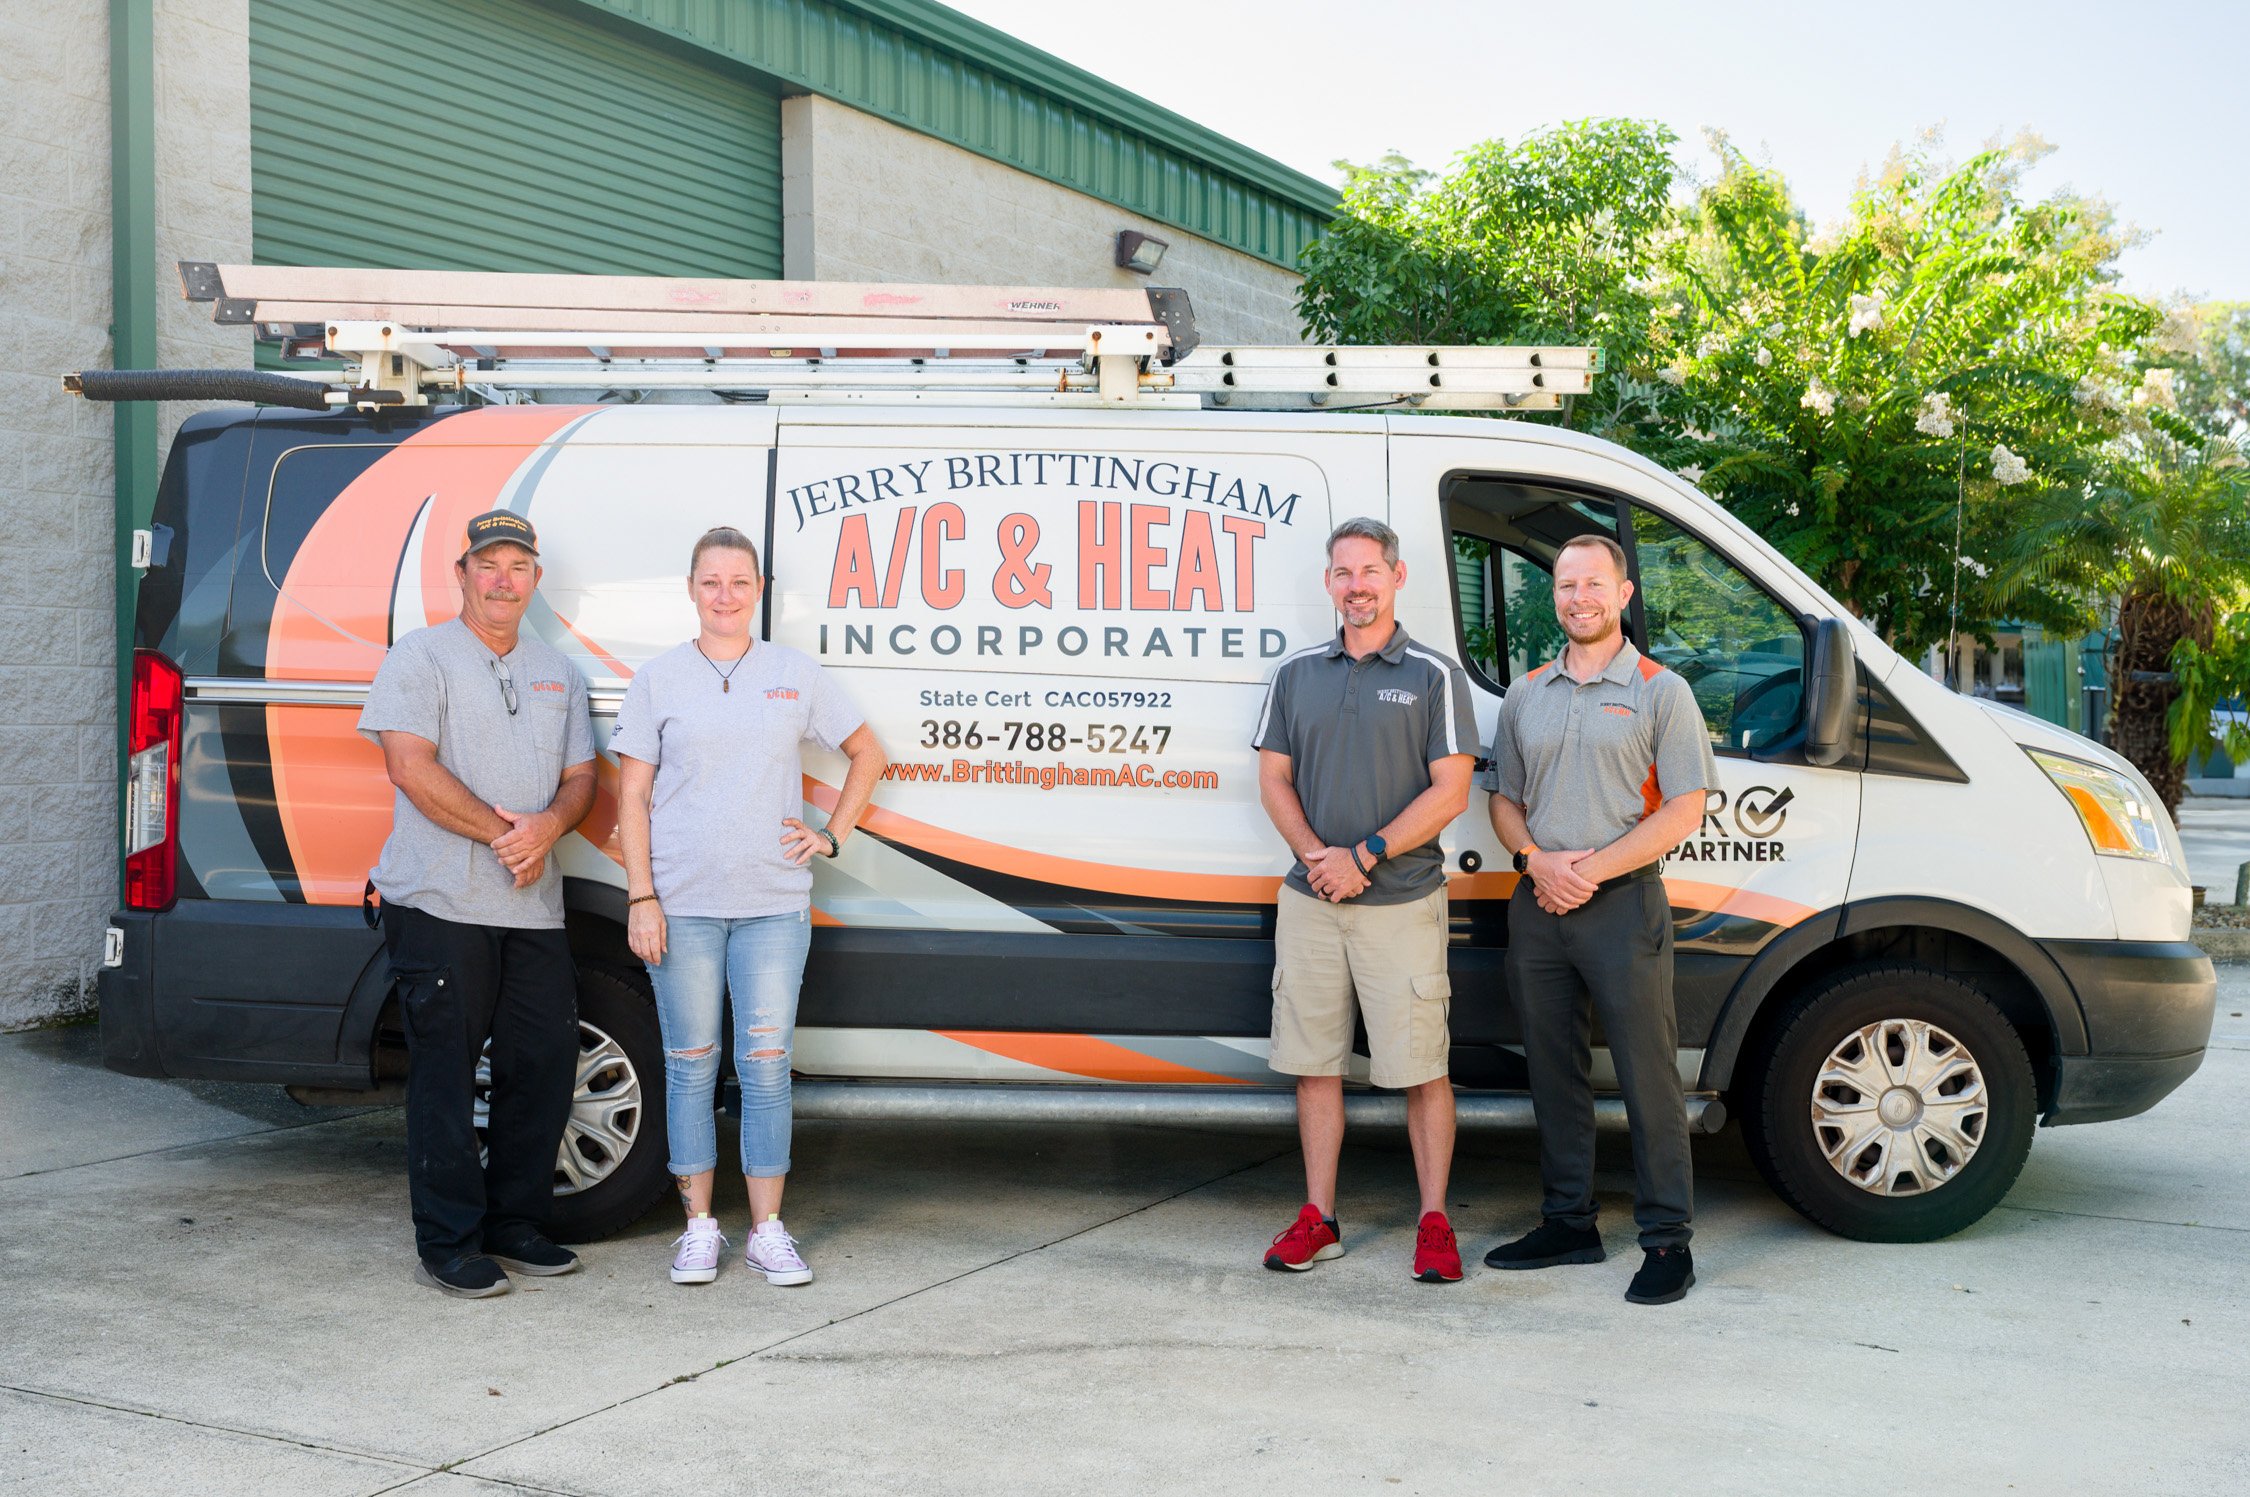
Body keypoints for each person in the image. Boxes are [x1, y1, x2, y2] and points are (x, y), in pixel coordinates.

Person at [613, 526, 886, 1288]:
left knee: (765, 1069)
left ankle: (767, 1229)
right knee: (691, 1064)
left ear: (758, 589)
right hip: (683, 905)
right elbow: (632, 795)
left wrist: (832, 834)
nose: (725, 595)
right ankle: (699, 1228)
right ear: (691, 589)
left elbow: (869, 752)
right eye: (711, 582)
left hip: (772, 907)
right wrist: (642, 894)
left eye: (739, 581)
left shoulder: (794, 673)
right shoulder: (658, 679)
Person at [360, 509, 597, 1299]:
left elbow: (581, 779)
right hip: (439, 901)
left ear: (535, 579)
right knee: (446, 1074)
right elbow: (408, 766)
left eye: (518, 566)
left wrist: (552, 827)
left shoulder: (558, 671)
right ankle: (450, 1240)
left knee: (542, 1065)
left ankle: (515, 1222)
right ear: (461, 574)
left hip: (533, 908)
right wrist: (508, 838)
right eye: (487, 564)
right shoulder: (419, 656)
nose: (503, 579)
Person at [1482, 533, 1719, 1305]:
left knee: (1649, 1077)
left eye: (1593, 584)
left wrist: (1587, 871)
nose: (1577, 597)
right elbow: (1504, 800)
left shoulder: (1660, 690)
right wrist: (1534, 864)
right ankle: (1569, 1222)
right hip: (1539, 905)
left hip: (1622, 906)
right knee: (1552, 1073)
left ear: (1622, 594)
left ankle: (1666, 1241)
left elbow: (1686, 806)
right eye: (1564, 585)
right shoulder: (1526, 693)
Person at [1252, 516, 1478, 1283]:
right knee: (1314, 1066)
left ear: (1396, 576)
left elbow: (1451, 790)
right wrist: (1319, 858)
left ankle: (1435, 1221)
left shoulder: (1431, 674)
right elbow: (1274, 776)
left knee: (1422, 1068)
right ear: (1329, 583)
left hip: (1402, 901)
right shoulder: (1297, 676)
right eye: (1343, 572)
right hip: (1312, 900)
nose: (1356, 585)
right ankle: (1320, 1219)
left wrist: (1367, 855)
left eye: (1369, 571)